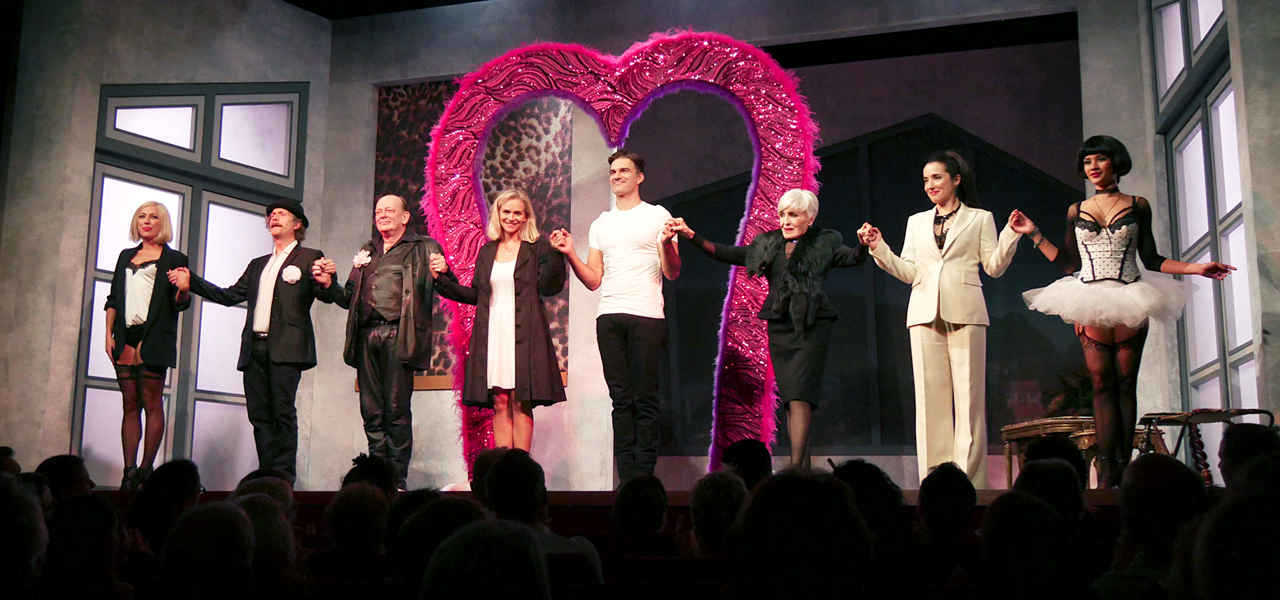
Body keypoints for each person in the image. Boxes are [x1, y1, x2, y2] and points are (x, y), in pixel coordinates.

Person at [1009, 135, 1234, 487]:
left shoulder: (1137, 204)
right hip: (1089, 299)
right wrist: (1033, 233)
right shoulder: (1076, 210)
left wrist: (1197, 268)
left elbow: (1152, 259)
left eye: (1100, 159)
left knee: (1126, 386)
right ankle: (1107, 471)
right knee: (1102, 385)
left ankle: (1124, 467)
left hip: (1130, 296)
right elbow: (1069, 264)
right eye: (1087, 162)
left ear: (1116, 162)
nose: (1093, 167)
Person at [668, 189, 867, 467]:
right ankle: (803, 470)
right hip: (780, 328)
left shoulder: (824, 243)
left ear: (810, 218)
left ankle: (795, 468)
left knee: (800, 396)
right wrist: (691, 235)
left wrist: (864, 245)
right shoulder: (769, 244)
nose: (785, 221)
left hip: (811, 326)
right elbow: (727, 253)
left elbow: (853, 257)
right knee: (791, 400)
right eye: (782, 214)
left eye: (793, 215)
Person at [859, 151, 1021, 485]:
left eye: (936, 177)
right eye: (925, 180)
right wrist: (879, 246)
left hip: (966, 310)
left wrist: (1010, 234)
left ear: (956, 179)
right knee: (929, 402)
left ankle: (970, 483)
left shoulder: (980, 218)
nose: (929, 185)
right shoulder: (916, 222)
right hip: (923, 312)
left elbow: (993, 267)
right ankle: (934, 482)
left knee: (969, 400)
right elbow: (909, 271)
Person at [169, 199, 339, 484]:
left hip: (286, 348)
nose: (274, 217)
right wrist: (192, 281)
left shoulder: (310, 256)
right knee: (259, 416)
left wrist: (328, 281)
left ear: (297, 224)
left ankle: (283, 479)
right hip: (254, 347)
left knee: (282, 413)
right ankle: (266, 476)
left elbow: (327, 295)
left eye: (281, 214)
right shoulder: (258, 264)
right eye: (271, 215)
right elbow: (228, 296)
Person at [549, 149, 680, 482]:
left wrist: (666, 243)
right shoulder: (601, 224)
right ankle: (626, 476)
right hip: (609, 316)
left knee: (644, 398)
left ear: (639, 177)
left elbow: (672, 271)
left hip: (646, 315)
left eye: (624, 170)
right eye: (613, 171)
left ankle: (644, 476)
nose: (617, 176)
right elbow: (594, 279)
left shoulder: (657, 216)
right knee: (620, 399)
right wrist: (570, 254)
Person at [313, 194, 444, 489]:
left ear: (405, 217)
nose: (382, 215)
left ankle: (396, 481)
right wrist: (328, 285)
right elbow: (349, 298)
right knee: (371, 411)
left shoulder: (423, 247)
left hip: (400, 336)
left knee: (396, 411)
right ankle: (377, 479)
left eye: (389, 210)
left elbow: (445, 285)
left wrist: (443, 272)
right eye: (378, 211)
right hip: (366, 337)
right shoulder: (368, 249)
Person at [430, 189, 567, 451]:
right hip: (494, 331)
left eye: (517, 213)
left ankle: (520, 466)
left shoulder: (537, 247)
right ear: (498, 214)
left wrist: (557, 253)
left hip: (525, 332)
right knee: (500, 401)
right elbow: (477, 295)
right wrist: (443, 278)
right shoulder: (487, 251)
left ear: (526, 217)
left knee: (519, 401)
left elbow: (550, 287)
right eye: (506, 212)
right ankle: (504, 467)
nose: (511, 217)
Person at [104, 201, 190, 491]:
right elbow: (113, 298)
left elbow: (180, 303)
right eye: (142, 216)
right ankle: (129, 472)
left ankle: (145, 469)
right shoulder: (125, 256)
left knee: (152, 404)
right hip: (124, 334)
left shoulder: (174, 257)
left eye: (154, 217)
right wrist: (108, 334)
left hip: (154, 336)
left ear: (162, 223)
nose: (147, 221)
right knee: (130, 405)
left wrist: (184, 289)